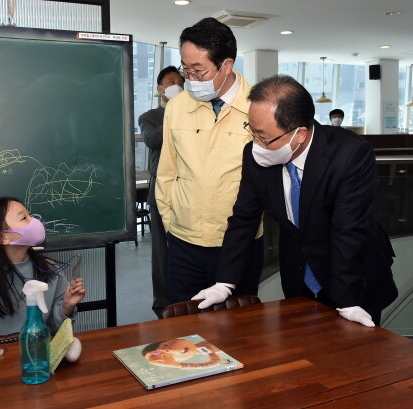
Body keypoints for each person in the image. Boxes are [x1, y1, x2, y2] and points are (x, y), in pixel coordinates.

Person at [209, 75, 397, 326]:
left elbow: (348, 230)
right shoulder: (256, 155)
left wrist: (348, 300)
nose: (256, 144)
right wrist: (225, 282)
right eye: (251, 131)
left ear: (299, 134)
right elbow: (244, 218)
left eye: (263, 136)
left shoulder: (349, 153)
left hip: (352, 274)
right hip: (297, 275)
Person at [155, 17, 263, 306]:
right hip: (184, 243)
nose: (190, 79)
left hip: (239, 244)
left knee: (238, 331)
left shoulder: (258, 107)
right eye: (185, 69)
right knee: (185, 332)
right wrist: (170, 226)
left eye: (198, 70)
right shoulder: (177, 107)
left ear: (226, 65)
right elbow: (167, 173)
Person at [0, 197, 85, 339]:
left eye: (30, 214)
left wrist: (67, 306)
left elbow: (57, 330)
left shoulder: (51, 271)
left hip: (38, 355)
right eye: (24, 217)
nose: (34, 221)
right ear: (2, 238)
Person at [138, 65, 184, 318]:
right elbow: (153, 140)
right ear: (160, 89)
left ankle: (188, 300)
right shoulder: (149, 116)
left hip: (188, 191)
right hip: (161, 194)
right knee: (162, 252)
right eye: (170, 81)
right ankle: (164, 306)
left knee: (187, 249)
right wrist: (175, 111)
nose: (176, 84)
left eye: (180, 81)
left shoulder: (194, 112)